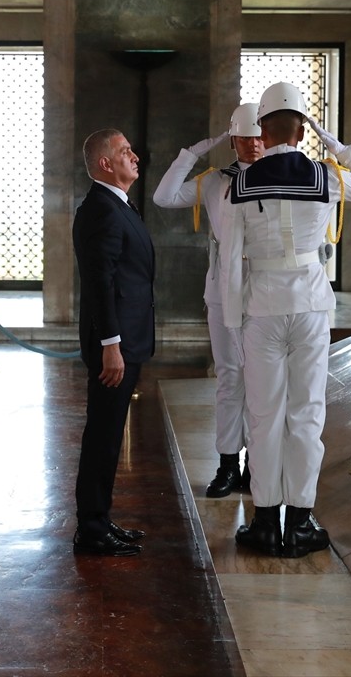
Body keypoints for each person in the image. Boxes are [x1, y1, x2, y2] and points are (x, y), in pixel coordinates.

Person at [220, 82, 351, 557]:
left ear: (263, 130)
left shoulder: (242, 181)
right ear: (301, 127)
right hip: (312, 303)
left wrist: (233, 320)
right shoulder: (326, 174)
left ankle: (264, 521)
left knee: (264, 414)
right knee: (307, 414)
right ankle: (300, 521)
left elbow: (232, 258)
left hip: (261, 307)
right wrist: (338, 144)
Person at [152, 103, 266, 497]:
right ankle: (227, 465)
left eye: (259, 136)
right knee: (229, 377)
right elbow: (164, 197)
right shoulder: (216, 181)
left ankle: (258, 466)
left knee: (261, 381)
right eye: (245, 137)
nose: (254, 144)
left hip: (267, 289)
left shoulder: (283, 180)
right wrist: (193, 153)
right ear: (233, 140)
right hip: (222, 289)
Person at [71, 129, 156, 557]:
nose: (134, 156)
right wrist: (111, 343)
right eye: (125, 151)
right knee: (103, 436)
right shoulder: (101, 210)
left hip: (126, 338)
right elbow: (99, 283)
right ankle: (91, 529)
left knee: (107, 433)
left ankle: (100, 520)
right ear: (106, 163)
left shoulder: (115, 204)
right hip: (115, 344)